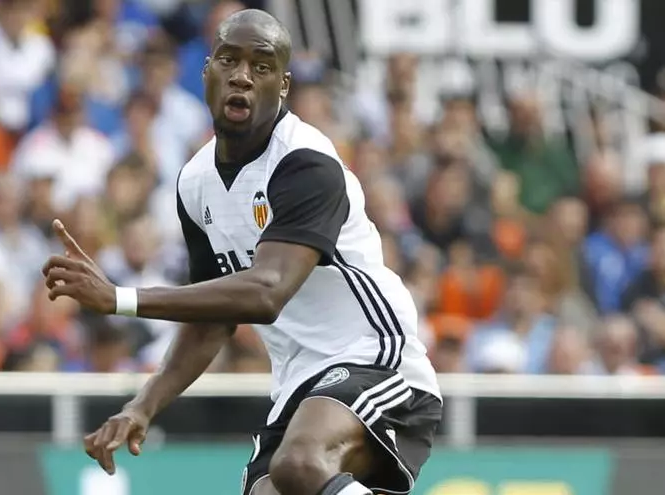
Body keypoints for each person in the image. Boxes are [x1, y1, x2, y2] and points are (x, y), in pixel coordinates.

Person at [42, 9, 441, 495]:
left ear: (284, 86)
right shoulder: (195, 182)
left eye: (262, 66)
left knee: (299, 465)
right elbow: (213, 319)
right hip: (300, 380)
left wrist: (121, 298)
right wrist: (143, 405)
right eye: (229, 60)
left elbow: (266, 292)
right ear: (206, 72)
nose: (242, 77)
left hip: (375, 356)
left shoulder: (305, 162)